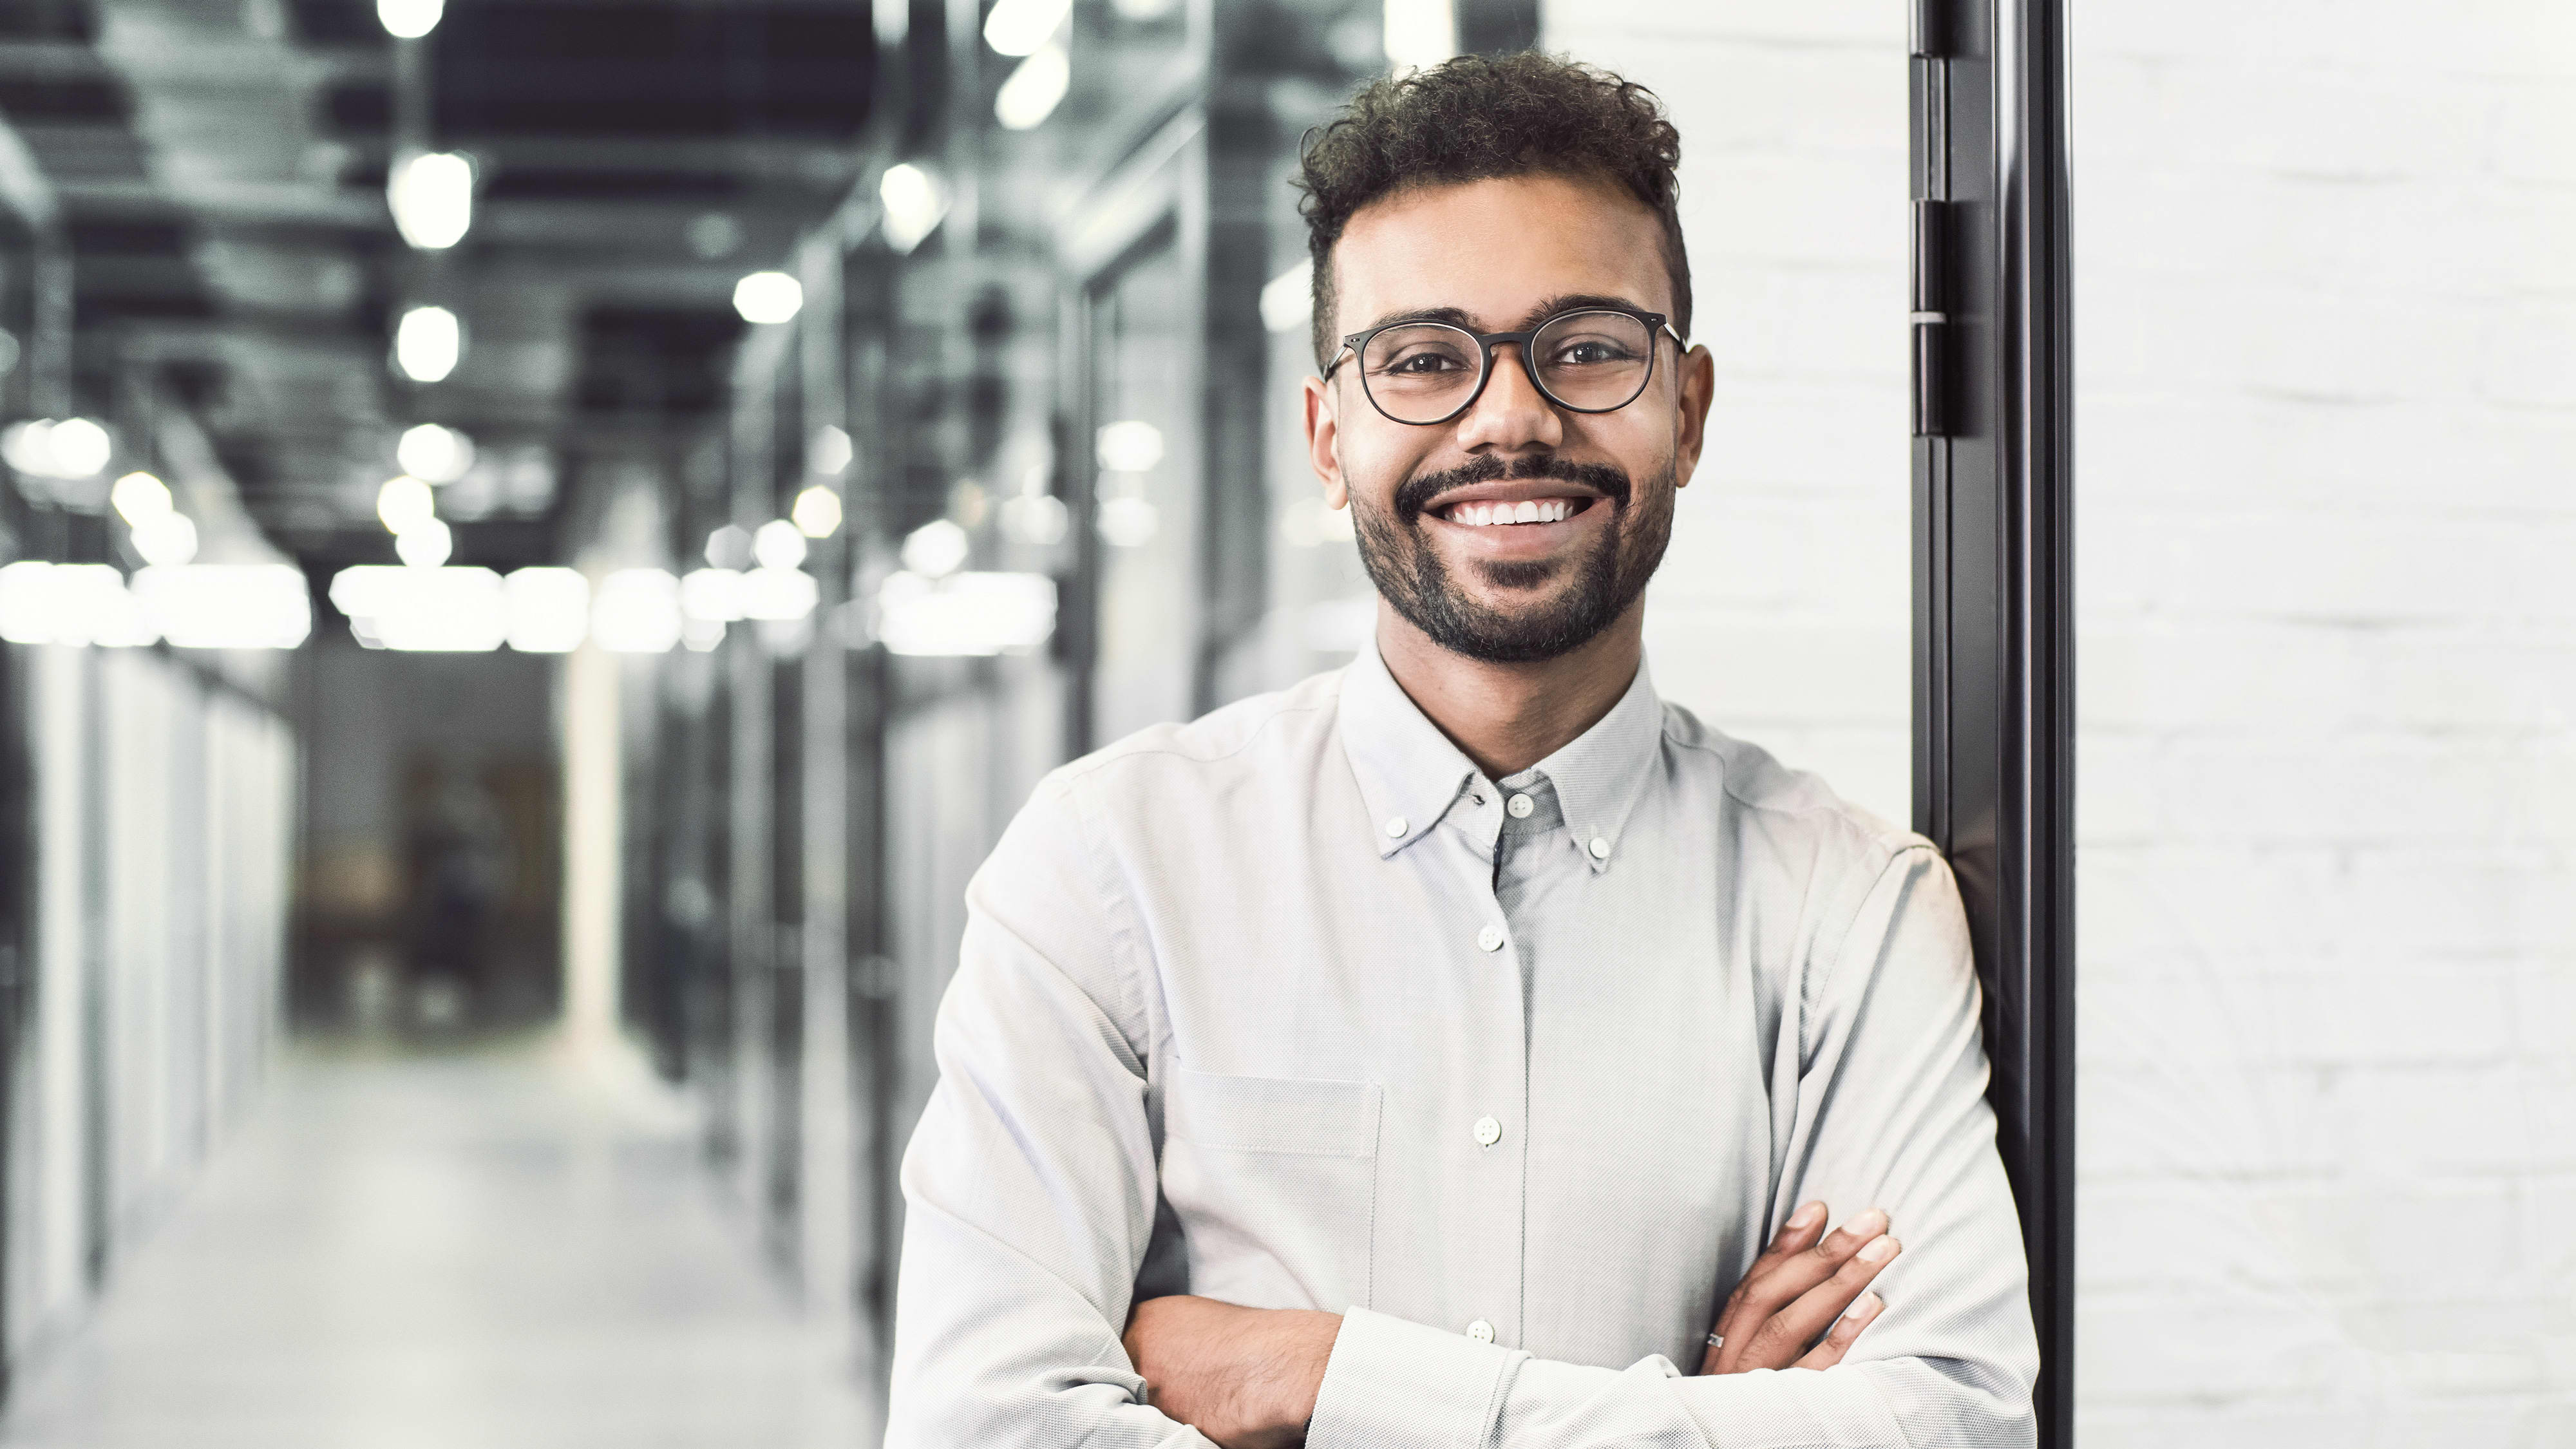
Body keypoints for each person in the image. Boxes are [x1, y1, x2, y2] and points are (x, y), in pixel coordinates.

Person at [886, 52, 2038, 1449]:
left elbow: (1949, 1422)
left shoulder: (1846, 910)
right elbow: (979, 1426)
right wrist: (1703, 1427)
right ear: (1326, 438)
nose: (1509, 418)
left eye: (1590, 347)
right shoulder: (1112, 866)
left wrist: (1317, 1378)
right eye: (1422, 360)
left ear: (1689, 411)